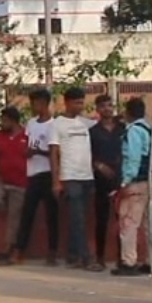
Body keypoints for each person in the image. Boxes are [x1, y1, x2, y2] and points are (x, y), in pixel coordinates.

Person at [0, 89, 59, 266]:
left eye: (35, 103)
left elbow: (55, 152)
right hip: (33, 173)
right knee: (27, 214)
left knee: (52, 215)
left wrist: (38, 152)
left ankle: (52, 252)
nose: (33, 107)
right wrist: (28, 152)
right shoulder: (31, 123)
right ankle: (19, 250)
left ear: (44, 103)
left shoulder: (54, 125)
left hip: (48, 173)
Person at [50, 87, 103, 271]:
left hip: (87, 176)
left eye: (82, 102)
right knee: (77, 218)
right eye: (76, 102)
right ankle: (86, 258)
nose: (80, 106)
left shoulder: (86, 123)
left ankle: (73, 256)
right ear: (66, 102)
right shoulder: (57, 124)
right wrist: (56, 181)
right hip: (69, 177)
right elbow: (54, 153)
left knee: (80, 219)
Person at [0, 107, 29, 263]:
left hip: (21, 183)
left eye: (4, 120)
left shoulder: (26, 135)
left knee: (14, 217)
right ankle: (2, 207)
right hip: (1, 180)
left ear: (13, 121)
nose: (2, 123)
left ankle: (9, 247)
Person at [112, 97, 152, 276]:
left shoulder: (133, 131)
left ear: (128, 113)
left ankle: (129, 261)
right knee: (147, 224)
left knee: (128, 222)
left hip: (135, 183)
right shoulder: (148, 129)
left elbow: (133, 158)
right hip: (148, 182)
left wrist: (125, 181)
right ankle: (150, 261)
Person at [89, 94, 126, 269]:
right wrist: (99, 165)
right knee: (101, 219)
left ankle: (122, 258)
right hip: (101, 179)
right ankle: (100, 258)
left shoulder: (123, 129)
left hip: (121, 178)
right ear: (97, 109)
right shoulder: (93, 132)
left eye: (110, 105)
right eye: (103, 106)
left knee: (122, 220)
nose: (107, 109)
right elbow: (88, 154)